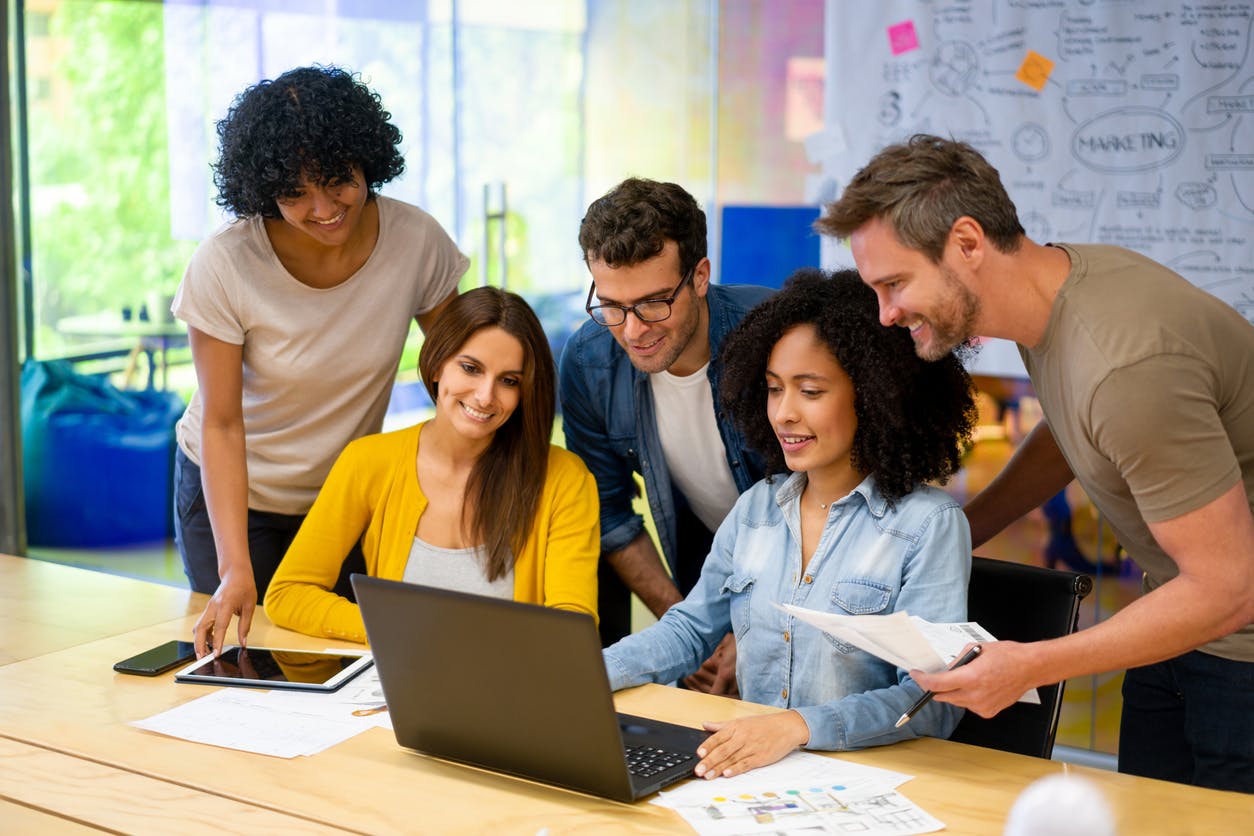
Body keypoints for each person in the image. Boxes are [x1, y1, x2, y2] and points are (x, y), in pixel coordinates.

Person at [819, 134, 1254, 792]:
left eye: (896, 283)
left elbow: (1229, 590)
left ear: (967, 243)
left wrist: (1027, 666)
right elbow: (1073, 433)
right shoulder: (1058, 299)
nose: (886, 314)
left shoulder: (1125, 365)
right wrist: (959, 532)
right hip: (1178, 622)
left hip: (1236, 646)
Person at [603, 268, 977, 778]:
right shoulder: (756, 509)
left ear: (872, 395)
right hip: (754, 776)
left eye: (811, 391)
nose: (783, 413)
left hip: (869, 788)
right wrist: (588, 674)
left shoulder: (929, 526)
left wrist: (799, 726)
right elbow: (689, 632)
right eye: (775, 389)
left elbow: (933, 701)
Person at [173, 66, 467, 657]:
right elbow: (222, 423)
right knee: (247, 663)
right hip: (235, 497)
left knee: (346, 661)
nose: (324, 208)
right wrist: (236, 567)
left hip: (340, 499)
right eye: (295, 193)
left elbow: (456, 377)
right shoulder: (226, 264)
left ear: (367, 162)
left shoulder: (416, 241)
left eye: (338, 181)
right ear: (262, 190)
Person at [264, 287, 599, 641]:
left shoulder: (565, 479)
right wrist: (401, 627)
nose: (485, 396)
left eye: (508, 381)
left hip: (510, 690)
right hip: (393, 688)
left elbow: (572, 628)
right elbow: (288, 593)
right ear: (438, 364)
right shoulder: (368, 461)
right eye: (471, 368)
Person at [558, 178, 776, 694]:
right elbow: (610, 514)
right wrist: (689, 628)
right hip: (704, 569)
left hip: (818, 581)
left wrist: (755, 630)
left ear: (700, 276)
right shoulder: (590, 363)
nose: (632, 330)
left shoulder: (777, 335)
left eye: (654, 303)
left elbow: (831, 504)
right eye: (611, 305)